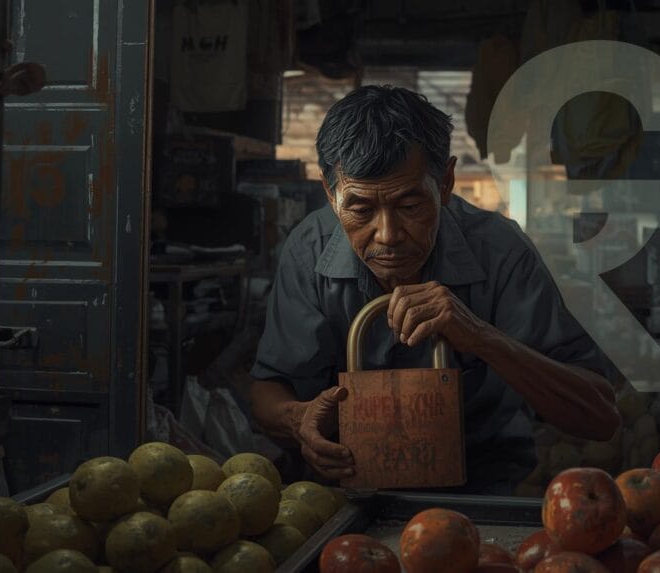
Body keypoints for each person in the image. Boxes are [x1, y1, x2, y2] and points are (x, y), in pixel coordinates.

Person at [249, 85, 620, 494]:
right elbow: (269, 388)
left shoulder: (500, 251)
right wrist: (297, 419)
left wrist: (481, 337)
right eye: (360, 209)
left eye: (410, 207)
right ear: (329, 192)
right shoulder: (308, 251)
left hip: (482, 488)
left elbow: (600, 417)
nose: (388, 236)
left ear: (445, 183)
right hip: (347, 489)